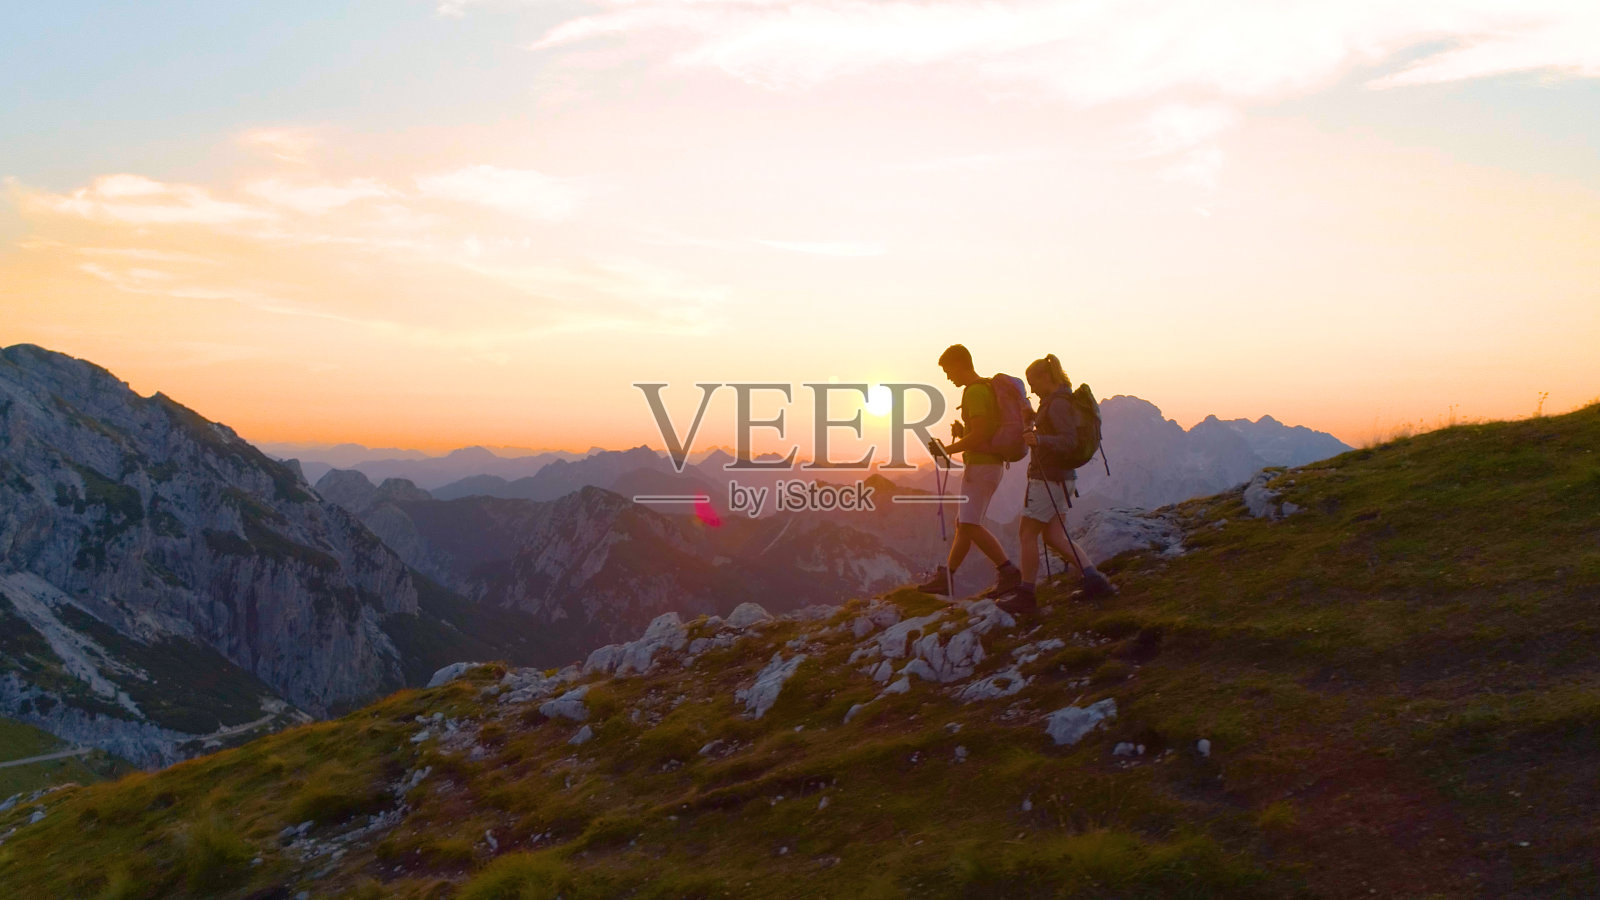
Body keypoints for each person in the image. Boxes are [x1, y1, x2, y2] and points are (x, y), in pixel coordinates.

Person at [998, 353, 1115, 615]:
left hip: (1048, 479)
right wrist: (1032, 421)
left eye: (1033, 382)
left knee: (1026, 534)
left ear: (1045, 378)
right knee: (1053, 535)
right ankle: (1095, 580)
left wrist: (1040, 441)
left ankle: (1026, 594)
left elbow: (1068, 440)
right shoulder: (1055, 401)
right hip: (1062, 479)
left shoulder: (1059, 404)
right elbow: (1055, 432)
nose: (1032, 388)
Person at [914, 344, 1021, 598]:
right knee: (964, 524)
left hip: (982, 467)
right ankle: (947, 577)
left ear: (960, 364)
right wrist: (963, 433)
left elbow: (982, 433)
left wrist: (947, 449)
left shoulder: (973, 392)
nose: (948, 377)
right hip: (989, 465)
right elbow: (984, 432)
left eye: (948, 371)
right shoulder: (984, 387)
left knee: (970, 525)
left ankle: (1008, 571)